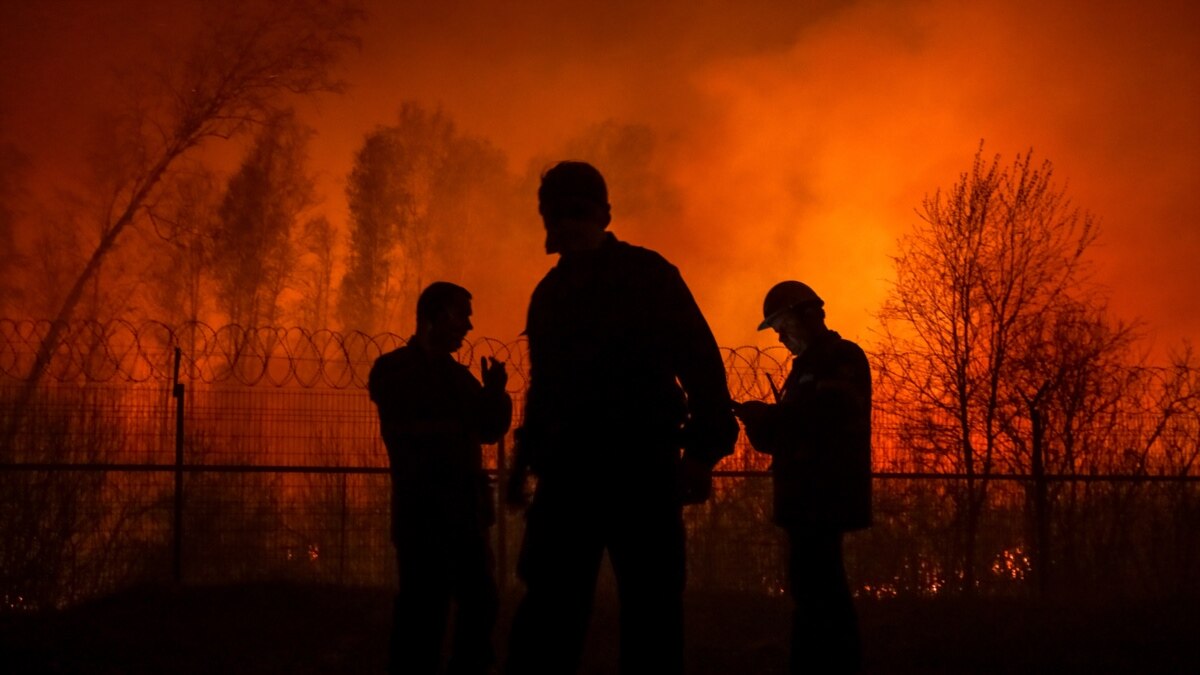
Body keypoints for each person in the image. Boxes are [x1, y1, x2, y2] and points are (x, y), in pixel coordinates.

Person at [504, 161, 739, 675]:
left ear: (600, 215)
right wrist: (524, 465)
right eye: (558, 212)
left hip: (629, 473)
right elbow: (545, 391)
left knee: (634, 616)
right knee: (563, 616)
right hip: (598, 476)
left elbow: (701, 368)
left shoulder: (638, 278)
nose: (564, 222)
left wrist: (702, 452)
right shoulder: (567, 291)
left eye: (573, 211)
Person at [367, 281, 512, 675]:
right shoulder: (397, 372)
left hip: (463, 514)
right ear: (436, 316)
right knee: (424, 610)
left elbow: (487, 428)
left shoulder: (453, 379)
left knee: (480, 600)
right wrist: (474, 404)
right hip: (425, 515)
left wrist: (496, 393)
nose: (468, 324)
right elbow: (427, 417)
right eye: (461, 313)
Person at [734, 280, 872, 674]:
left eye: (782, 326)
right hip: (803, 500)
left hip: (825, 498)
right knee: (809, 590)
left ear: (806, 315)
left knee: (822, 591)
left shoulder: (842, 359)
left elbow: (822, 420)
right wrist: (759, 422)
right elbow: (785, 435)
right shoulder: (807, 370)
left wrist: (772, 418)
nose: (779, 337)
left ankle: (834, 663)